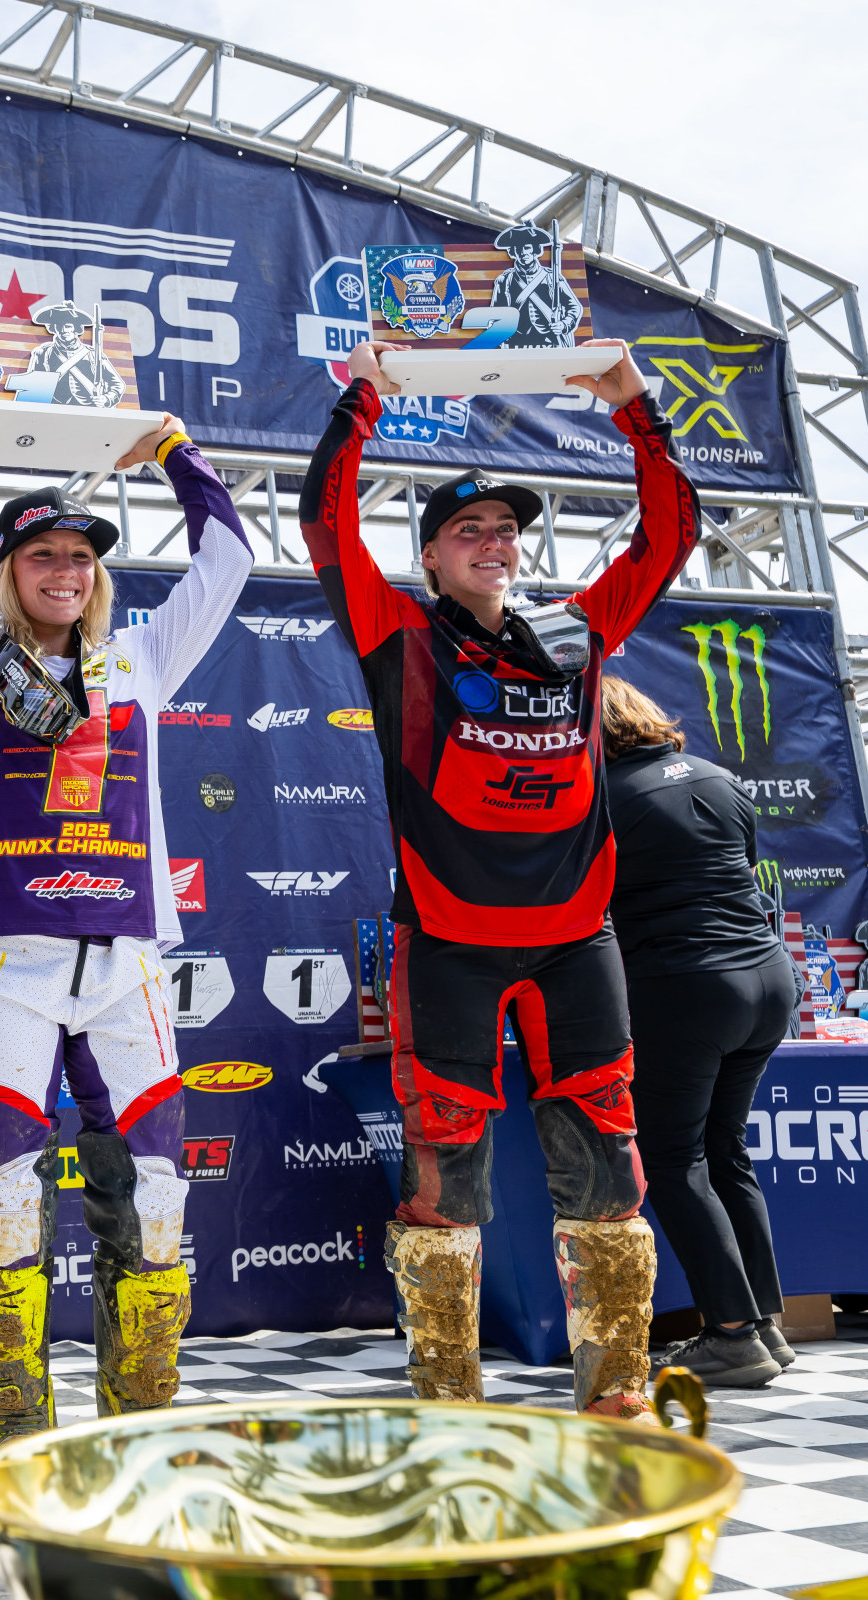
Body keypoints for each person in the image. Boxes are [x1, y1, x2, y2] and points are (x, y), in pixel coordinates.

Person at [298, 334, 702, 1419]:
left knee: (611, 1177)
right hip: (450, 943)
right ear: (429, 557)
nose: (494, 543)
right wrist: (361, 405)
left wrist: (634, 407)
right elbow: (324, 524)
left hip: (579, 943)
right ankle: (449, 1407)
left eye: (507, 530)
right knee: (444, 1186)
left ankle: (616, 1398)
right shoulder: (398, 636)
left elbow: (671, 538)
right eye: (468, 530)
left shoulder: (578, 632)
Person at [0, 416, 249, 1445]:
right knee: (2, 1205)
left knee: (158, 1202)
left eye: (80, 556)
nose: (65, 571)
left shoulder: (144, 660)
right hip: (6, 970)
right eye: (43, 555)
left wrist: (173, 451)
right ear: (7, 571)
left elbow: (231, 555)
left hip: (128, 966)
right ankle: (18, 1444)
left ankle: (137, 1440)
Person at [601, 677, 797, 1387]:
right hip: (769, 981)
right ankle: (766, 1324)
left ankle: (734, 1336)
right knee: (725, 1150)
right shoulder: (720, 778)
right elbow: (741, 872)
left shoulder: (604, 798)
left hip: (687, 987)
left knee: (677, 1159)